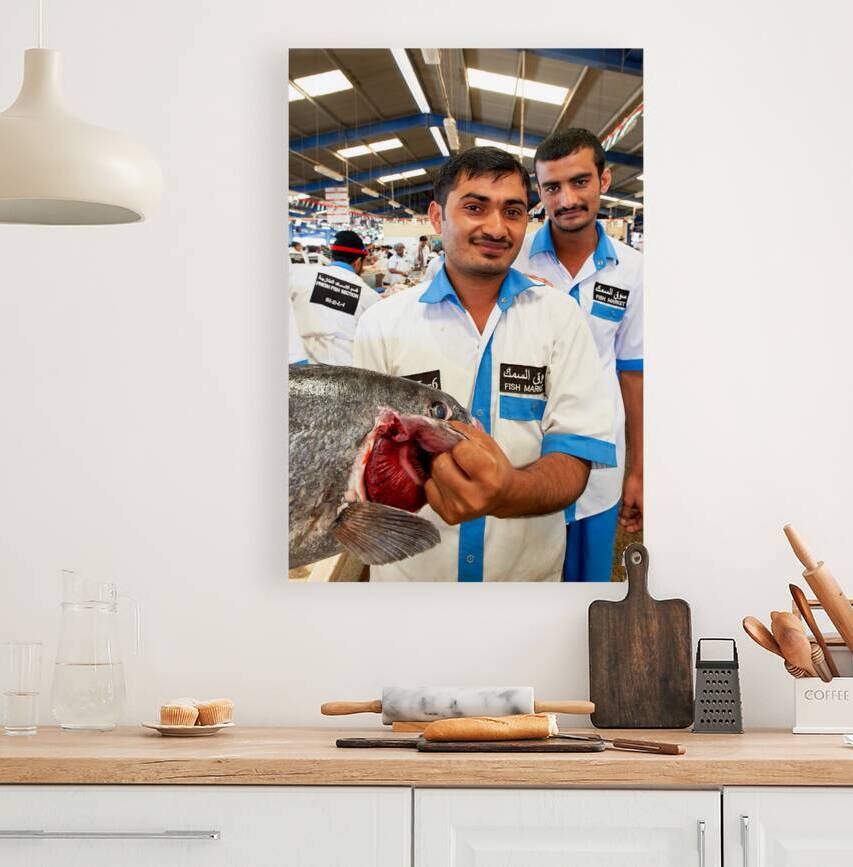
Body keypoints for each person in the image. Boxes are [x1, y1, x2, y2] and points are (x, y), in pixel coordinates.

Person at [353, 147, 615, 582]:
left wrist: (508, 491)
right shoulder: (383, 324)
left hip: (525, 586)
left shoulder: (558, 316)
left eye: (512, 211)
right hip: (413, 586)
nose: (496, 227)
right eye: (475, 207)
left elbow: (575, 453)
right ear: (437, 217)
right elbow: (363, 461)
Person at [514, 128, 643, 582]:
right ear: (538, 192)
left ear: (604, 180)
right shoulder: (515, 258)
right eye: (552, 187)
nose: (566, 198)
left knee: (585, 592)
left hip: (600, 462)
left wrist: (637, 472)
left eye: (579, 182)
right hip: (523, 454)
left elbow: (633, 373)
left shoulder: (633, 270)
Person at [289, 229, 381, 365]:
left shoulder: (299, 276)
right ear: (357, 262)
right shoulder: (370, 296)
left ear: (332, 257)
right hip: (346, 371)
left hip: (303, 367)